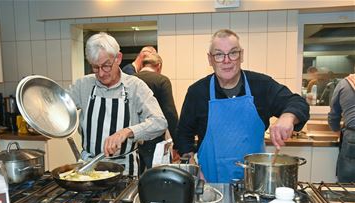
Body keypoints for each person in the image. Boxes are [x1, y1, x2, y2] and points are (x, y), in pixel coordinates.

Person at [176, 29, 310, 183]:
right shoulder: (197, 92)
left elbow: (298, 103)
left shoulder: (262, 85)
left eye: (233, 53)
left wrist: (287, 117)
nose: (227, 61)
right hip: (209, 183)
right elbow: (183, 136)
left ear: (241, 55)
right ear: (210, 59)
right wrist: (194, 170)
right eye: (219, 55)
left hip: (255, 184)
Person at [68, 32, 167, 177]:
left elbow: (160, 122)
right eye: (95, 67)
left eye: (106, 66)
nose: (101, 73)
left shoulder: (135, 87)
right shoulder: (83, 85)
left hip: (124, 171)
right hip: (89, 169)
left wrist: (127, 131)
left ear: (118, 58)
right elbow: (59, 110)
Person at [134, 53, 178, 172]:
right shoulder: (161, 80)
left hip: (133, 139)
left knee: (135, 180)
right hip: (155, 140)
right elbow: (170, 113)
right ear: (158, 66)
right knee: (158, 178)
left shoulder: (131, 80)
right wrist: (177, 144)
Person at [328, 72, 355, 182]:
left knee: (348, 184)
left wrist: (336, 129)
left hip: (353, 136)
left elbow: (334, 114)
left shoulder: (345, 84)